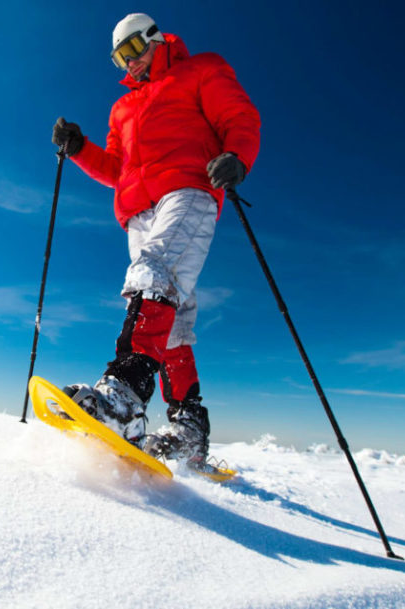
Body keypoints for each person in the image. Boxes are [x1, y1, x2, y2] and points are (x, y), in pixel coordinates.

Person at [52, 13, 260, 466]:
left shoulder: (200, 69)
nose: (129, 65)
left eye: (132, 51)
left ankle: (125, 396)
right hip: (138, 211)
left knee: (153, 271)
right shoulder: (122, 109)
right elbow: (115, 168)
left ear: (154, 39)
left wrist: (237, 156)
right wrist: (80, 148)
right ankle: (188, 429)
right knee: (174, 316)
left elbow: (239, 115)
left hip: (189, 188)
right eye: (118, 59)